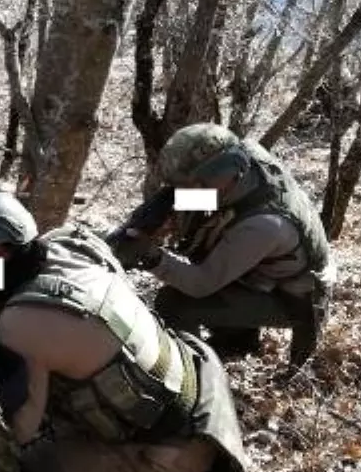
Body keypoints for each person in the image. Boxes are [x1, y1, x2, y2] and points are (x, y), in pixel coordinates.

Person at [0, 189, 248, 472]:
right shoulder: (67, 243)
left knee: (37, 469)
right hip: (195, 382)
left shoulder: (24, 322)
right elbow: (5, 281)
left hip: (177, 445)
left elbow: (18, 431)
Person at [113, 123, 333, 368]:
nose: (183, 192)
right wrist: (166, 217)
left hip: (293, 298)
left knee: (174, 303)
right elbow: (214, 205)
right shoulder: (245, 159)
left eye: (190, 185)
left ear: (216, 176)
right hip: (268, 273)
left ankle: (199, 374)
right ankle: (238, 340)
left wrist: (151, 257)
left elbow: (201, 285)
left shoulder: (263, 226)